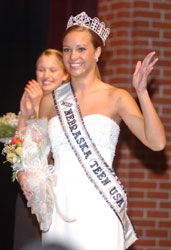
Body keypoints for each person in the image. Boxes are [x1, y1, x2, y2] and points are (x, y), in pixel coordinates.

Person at [17, 12, 166, 250]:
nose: (73, 56)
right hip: (60, 208)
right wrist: (33, 184)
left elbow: (157, 142)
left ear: (97, 53)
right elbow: (32, 158)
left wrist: (142, 92)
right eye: (67, 50)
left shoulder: (117, 97)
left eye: (81, 49)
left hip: (100, 204)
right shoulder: (50, 101)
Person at [14, 48, 69, 250]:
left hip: (53, 190)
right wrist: (23, 115)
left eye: (52, 70)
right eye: (41, 69)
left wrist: (38, 106)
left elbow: (48, 146)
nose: (45, 75)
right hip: (27, 191)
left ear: (65, 74)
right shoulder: (29, 101)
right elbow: (18, 150)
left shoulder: (66, 105)